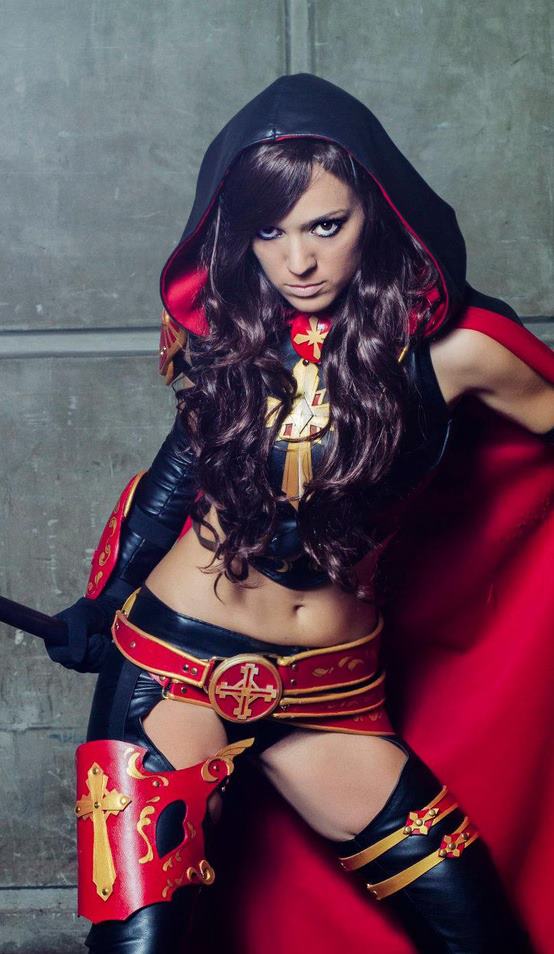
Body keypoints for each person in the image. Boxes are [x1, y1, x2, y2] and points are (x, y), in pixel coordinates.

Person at [44, 74, 554, 953]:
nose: (297, 263)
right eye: (268, 232)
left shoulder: (460, 350)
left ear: (376, 215)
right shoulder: (229, 333)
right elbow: (178, 473)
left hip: (332, 692)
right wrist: (105, 599)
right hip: (174, 671)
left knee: (481, 936)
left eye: (325, 226)